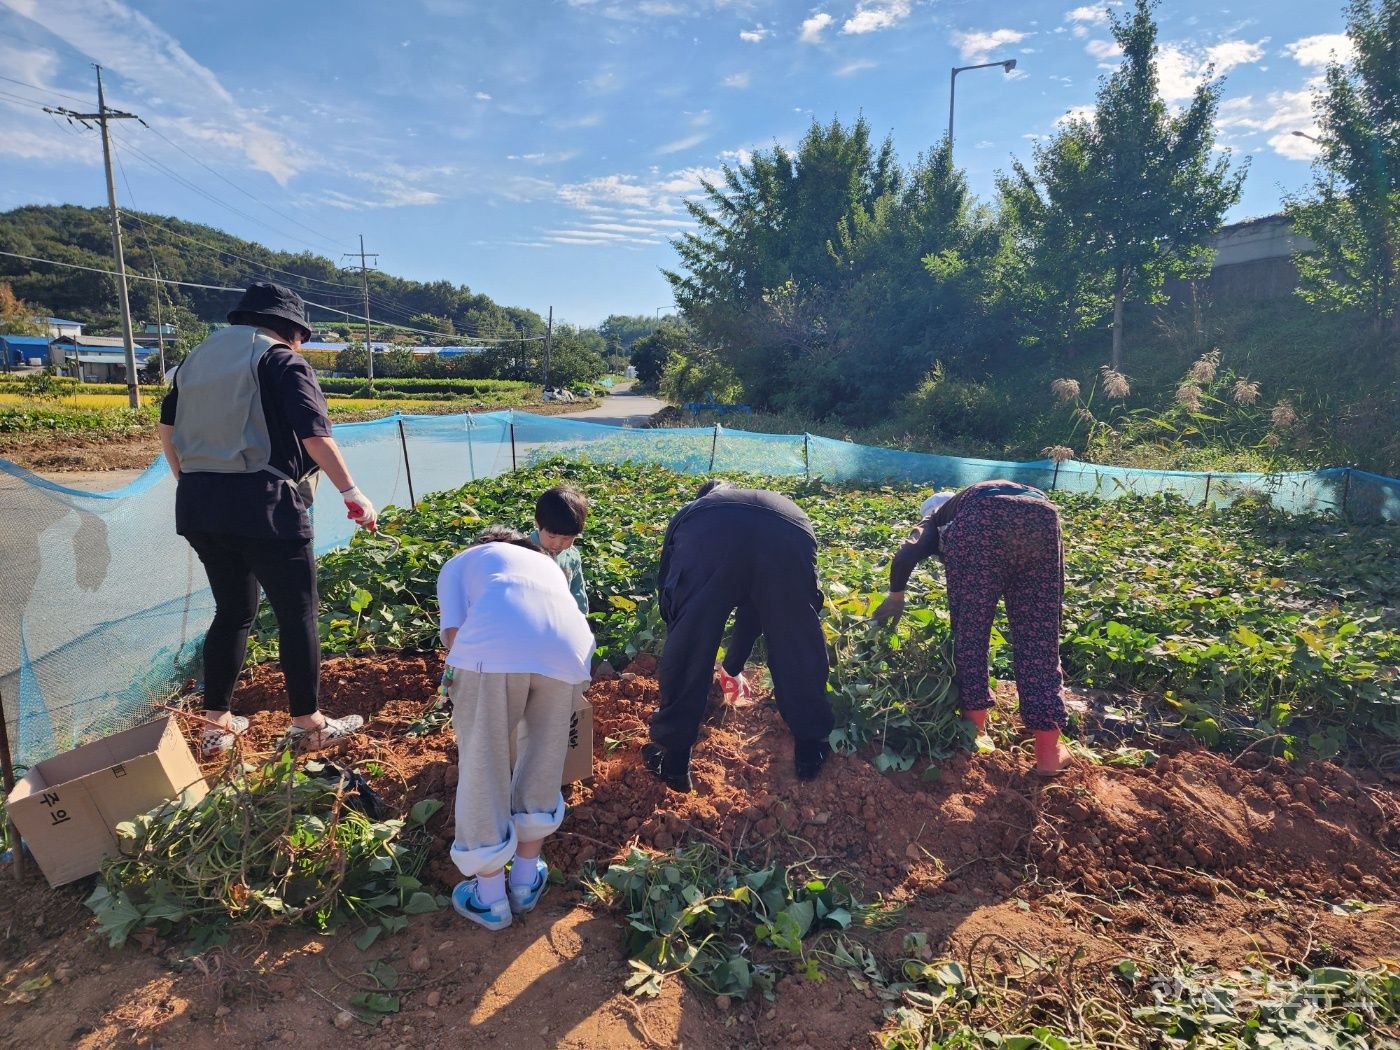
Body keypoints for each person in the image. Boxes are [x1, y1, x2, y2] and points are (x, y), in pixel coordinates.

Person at [157, 282, 375, 757]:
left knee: (233, 611)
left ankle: (216, 724)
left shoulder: (194, 361)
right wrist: (352, 493)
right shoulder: (280, 359)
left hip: (198, 504)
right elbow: (315, 436)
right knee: (297, 612)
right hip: (265, 505)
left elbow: (167, 430)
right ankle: (308, 723)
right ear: (291, 329)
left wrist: (190, 480)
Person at [437, 527, 595, 931]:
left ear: (482, 546)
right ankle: (525, 882)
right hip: (570, 652)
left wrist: (453, 686)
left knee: (484, 759)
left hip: (491, 651)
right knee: (544, 754)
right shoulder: (546, 565)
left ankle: (489, 898)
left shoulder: (461, 563)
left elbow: (455, 640)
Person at [871, 480, 1073, 776]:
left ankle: (975, 733)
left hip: (984, 520)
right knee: (1039, 640)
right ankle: (1048, 753)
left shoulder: (937, 516)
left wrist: (896, 596)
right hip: (1042, 515)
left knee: (971, 634)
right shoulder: (995, 494)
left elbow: (907, 552)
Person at [644, 480, 833, 791]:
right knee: (797, 640)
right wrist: (732, 667)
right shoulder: (767, 502)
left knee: (691, 637)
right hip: (791, 526)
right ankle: (810, 750)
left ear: (704, 498)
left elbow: (671, 591)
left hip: (719, 533)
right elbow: (754, 610)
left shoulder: (696, 512)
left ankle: (674, 762)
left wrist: (682, 637)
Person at [531, 484, 590, 616]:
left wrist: (580, 619)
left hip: (560, 619)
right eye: (552, 536)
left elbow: (577, 591)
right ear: (537, 524)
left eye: (567, 538)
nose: (557, 544)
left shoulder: (572, 557)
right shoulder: (523, 550)